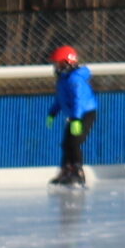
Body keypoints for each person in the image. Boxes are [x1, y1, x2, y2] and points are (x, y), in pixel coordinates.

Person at [49, 44, 98, 187]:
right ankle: (66, 170)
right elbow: (61, 99)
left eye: (58, 63)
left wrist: (77, 119)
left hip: (85, 113)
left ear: (67, 62)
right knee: (66, 144)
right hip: (74, 115)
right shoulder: (63, 80)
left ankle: (77, 171)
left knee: (74, 143)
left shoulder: (75, 80)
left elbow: (79, 100)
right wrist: (53, 112)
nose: (55, 66)